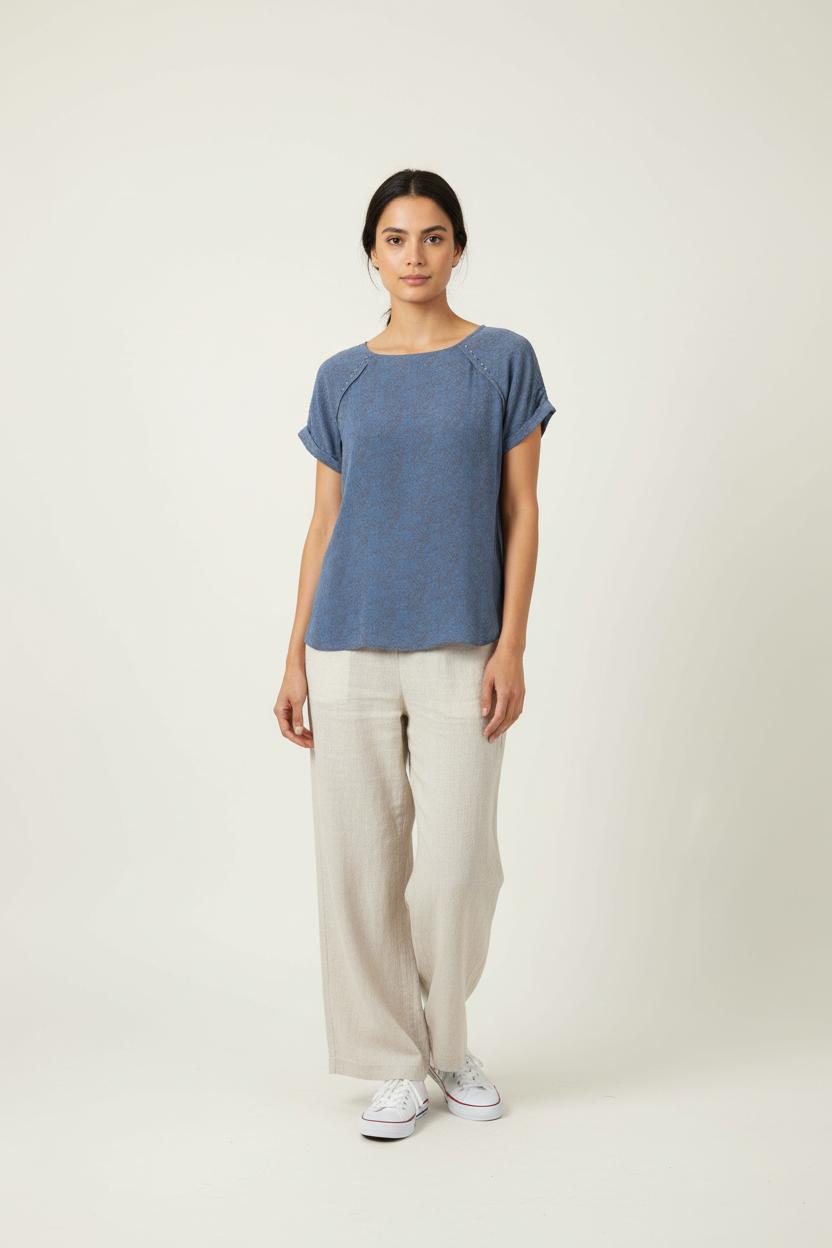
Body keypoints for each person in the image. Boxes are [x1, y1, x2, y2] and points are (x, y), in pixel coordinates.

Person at [273, 168, 556, 1140]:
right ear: (372, 254)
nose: (414, 255)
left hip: (461, 645)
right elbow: (324, 523)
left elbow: (522, 512)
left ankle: (446, 1042)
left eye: (433, 236)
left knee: (459, 867)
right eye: (395, 239)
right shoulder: (340, 376)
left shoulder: (502, 361)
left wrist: (512, 644)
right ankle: (392, 1062)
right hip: (345, 646)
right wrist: (292, 658)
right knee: (358, 867)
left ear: (458, 248)